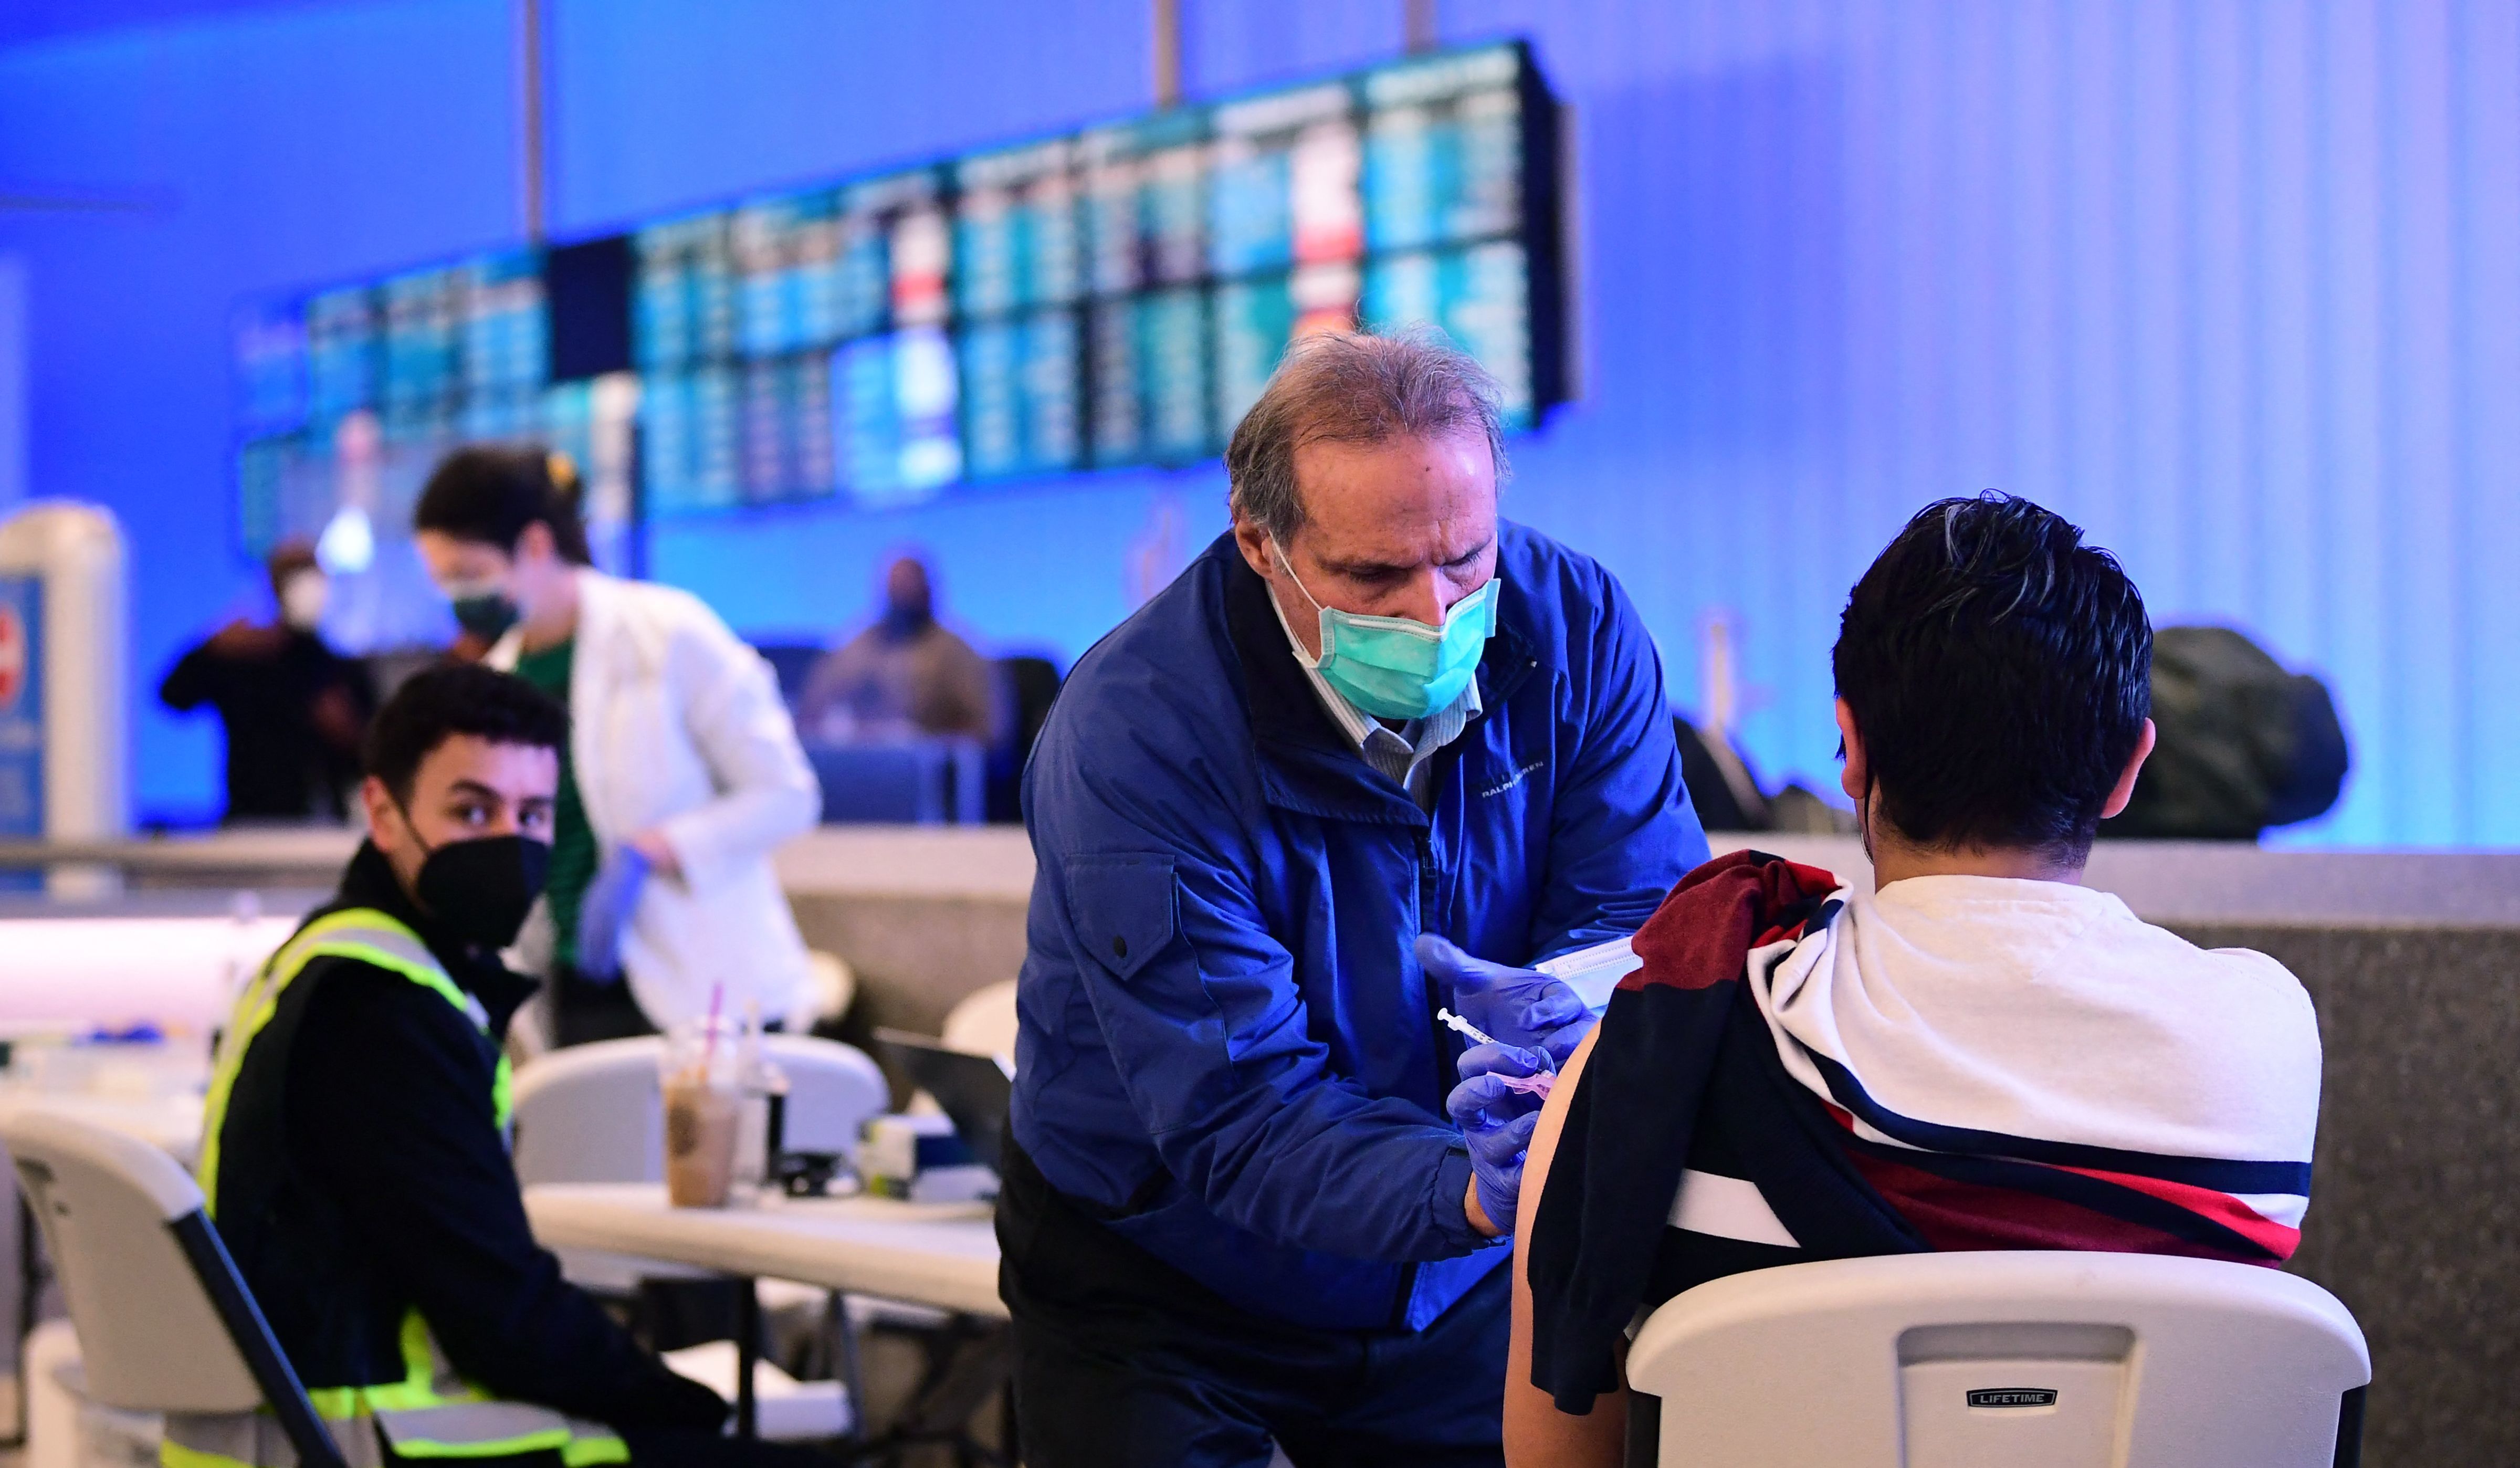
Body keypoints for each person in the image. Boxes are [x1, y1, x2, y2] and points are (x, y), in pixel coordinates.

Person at [1002, 330, 1706, 1467]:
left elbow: (1641, 928)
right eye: (1373, 579)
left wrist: (1576, 1042)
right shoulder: (1137, 734)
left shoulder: (1574, 630)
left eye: (1467, 559)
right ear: (1259, 541)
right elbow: (1240, 1111)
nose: (1434, 616)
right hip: (1170, 1296)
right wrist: (1470, 1184)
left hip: (1467, 1287)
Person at [1505, 494, 2323, 1464]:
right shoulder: (2262, 1035)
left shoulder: (1673, 1035)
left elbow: (1556, 1446)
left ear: (1849, 747)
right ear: (2127, 768)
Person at [169, 664, 801, 1468]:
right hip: (376, 1443)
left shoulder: (331, 960)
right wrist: (683, 1406)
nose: (510, 841)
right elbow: (504, 1316)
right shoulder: (379, 1008)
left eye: (533, 814)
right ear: (383, 815)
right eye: (473, 810)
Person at [412, 446, 820, 1045]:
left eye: (469, 573)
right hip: (573, 994)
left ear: (534, 545)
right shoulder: (495, 684)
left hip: (708, 994)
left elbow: (788, 796)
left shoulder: (667, 633)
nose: (458, 596)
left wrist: (649, 853)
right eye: (443, 580)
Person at [160, 540, 372, 822]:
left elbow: (374, 755)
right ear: (272, 583)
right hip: (251, 824)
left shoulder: (338, 670)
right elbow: (173, 697)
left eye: (311, 571)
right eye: (294, 573)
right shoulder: (244, 661)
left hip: (323, 827)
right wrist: (210, 649)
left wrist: (348, 732)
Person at [793, 554, 1000, 743]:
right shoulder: (858, 649)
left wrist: (931, 740)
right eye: (897, 589)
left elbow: (987, 728)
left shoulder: (957, 654)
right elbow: (812, 712)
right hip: (865, 767)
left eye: (910, 588)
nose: (903, 595)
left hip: (931, 771)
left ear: (928, 591)